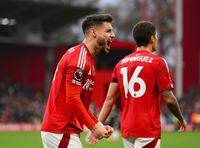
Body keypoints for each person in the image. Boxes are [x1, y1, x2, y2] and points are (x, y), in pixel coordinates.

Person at [88, 21, 187, 147]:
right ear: (152, 38)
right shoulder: (158, 62)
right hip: (147, 129)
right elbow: (169, 100)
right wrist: (181, 118)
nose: (156, 39)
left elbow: (109, 100)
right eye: (156, 36)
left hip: (127, 129)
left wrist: (97, 126)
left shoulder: (121, 63)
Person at [41, 14, 115, 148]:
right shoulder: (79, 59)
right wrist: (93, 128)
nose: (113, 35)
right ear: (93, 32)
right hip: (61, 129)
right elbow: (73, 99)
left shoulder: (88, 60)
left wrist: (99, 125)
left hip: (63, 130)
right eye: (108, 30)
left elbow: (82, 105)